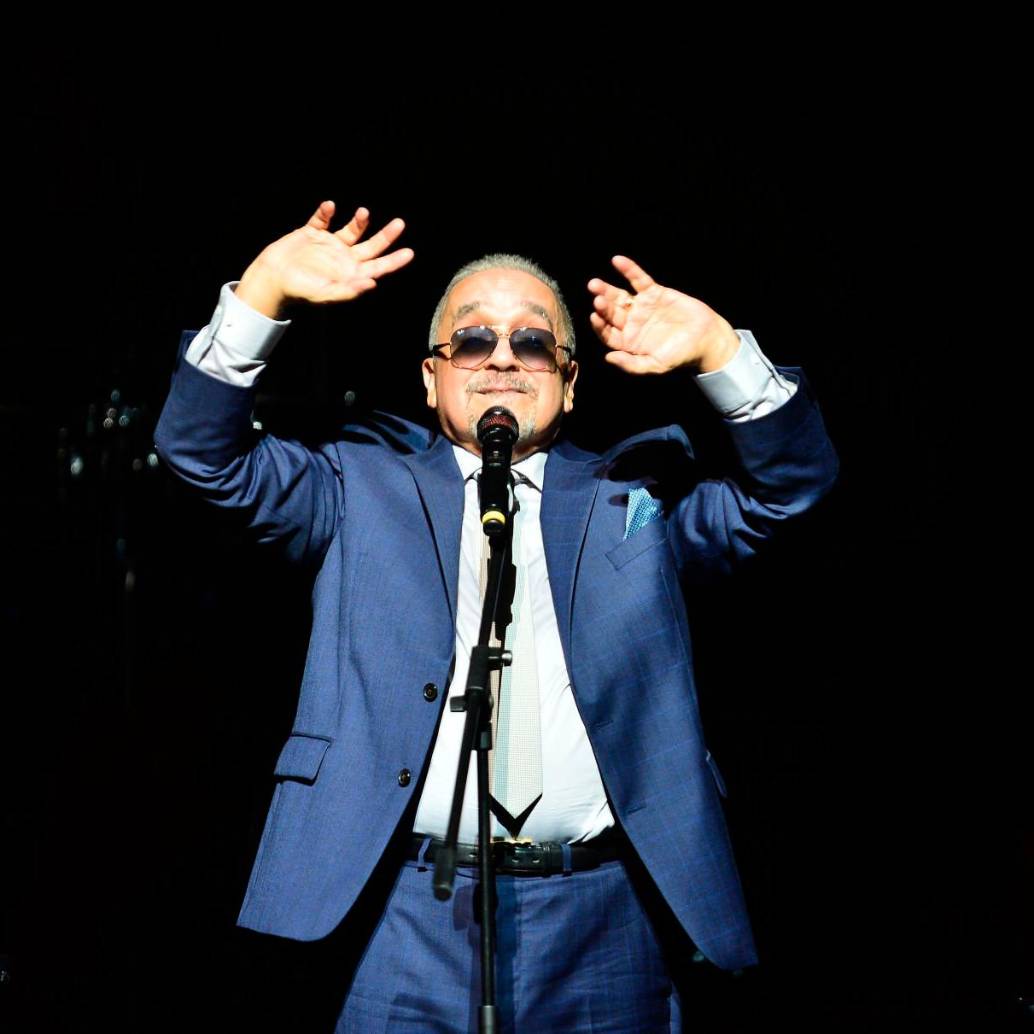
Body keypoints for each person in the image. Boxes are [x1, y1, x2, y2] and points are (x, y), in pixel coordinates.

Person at [154, 200, 838, 1032]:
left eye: (535, 342)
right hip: (402, 912)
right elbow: (202, 456)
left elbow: (791, 489)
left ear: (571, 380)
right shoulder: (355, 487)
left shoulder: (641, 496)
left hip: (607, 913)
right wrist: (260, 296)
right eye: (473, 340)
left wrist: (724, 354)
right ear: (431, 374)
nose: (503, 359)